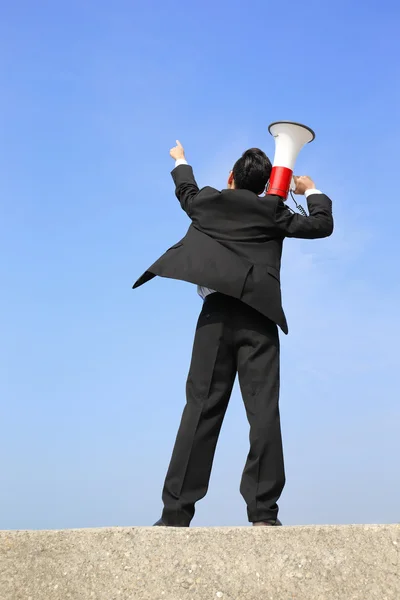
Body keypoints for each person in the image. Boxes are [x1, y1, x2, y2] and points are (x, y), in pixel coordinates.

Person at [133, 141, 333, 526]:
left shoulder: (209, 202)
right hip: (259, 318)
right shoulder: (272, 210)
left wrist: (181, 159)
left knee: (200, 409)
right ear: (264, 186)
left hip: (215, 317)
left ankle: (175, 513)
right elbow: (322, 225)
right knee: (263, 413)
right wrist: (310, 190)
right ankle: (263, 512)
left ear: (230, 178)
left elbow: (186, 192)